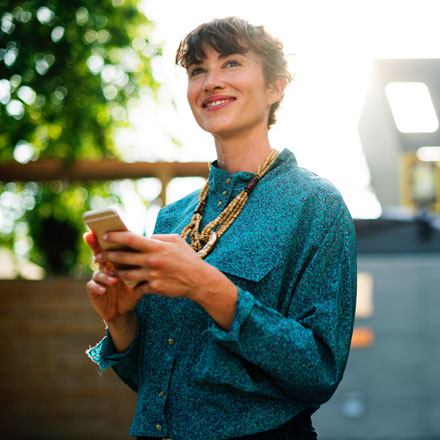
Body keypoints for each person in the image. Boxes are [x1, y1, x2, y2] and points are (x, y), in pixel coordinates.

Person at [85, 17, 357, 440]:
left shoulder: (316, 205)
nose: (211, 81)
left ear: (275, 87)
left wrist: (205, 286)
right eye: (197, 70)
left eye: (230, 63)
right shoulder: (171, 219)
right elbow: (153, 384)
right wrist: (120, 322)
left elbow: (320, 370)